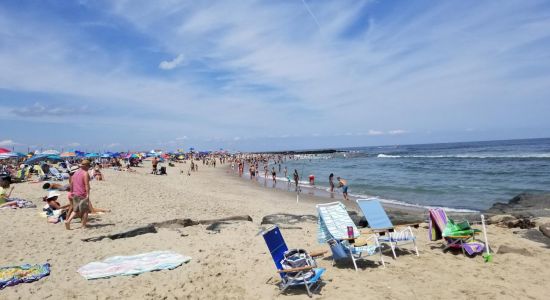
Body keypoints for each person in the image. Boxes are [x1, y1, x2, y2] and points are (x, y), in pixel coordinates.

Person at [65, 160, 91, 230]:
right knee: (85, 210)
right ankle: (83, 225)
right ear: (86, 166)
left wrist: (72, 192)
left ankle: (68, 221)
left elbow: (72, 184)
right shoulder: (85, 173)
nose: (89, 168)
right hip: (82, 194)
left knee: (75, 210)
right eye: (88, 166)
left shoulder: (75, 173)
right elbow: (86, 185)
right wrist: (88, 194)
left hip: (75, 193)